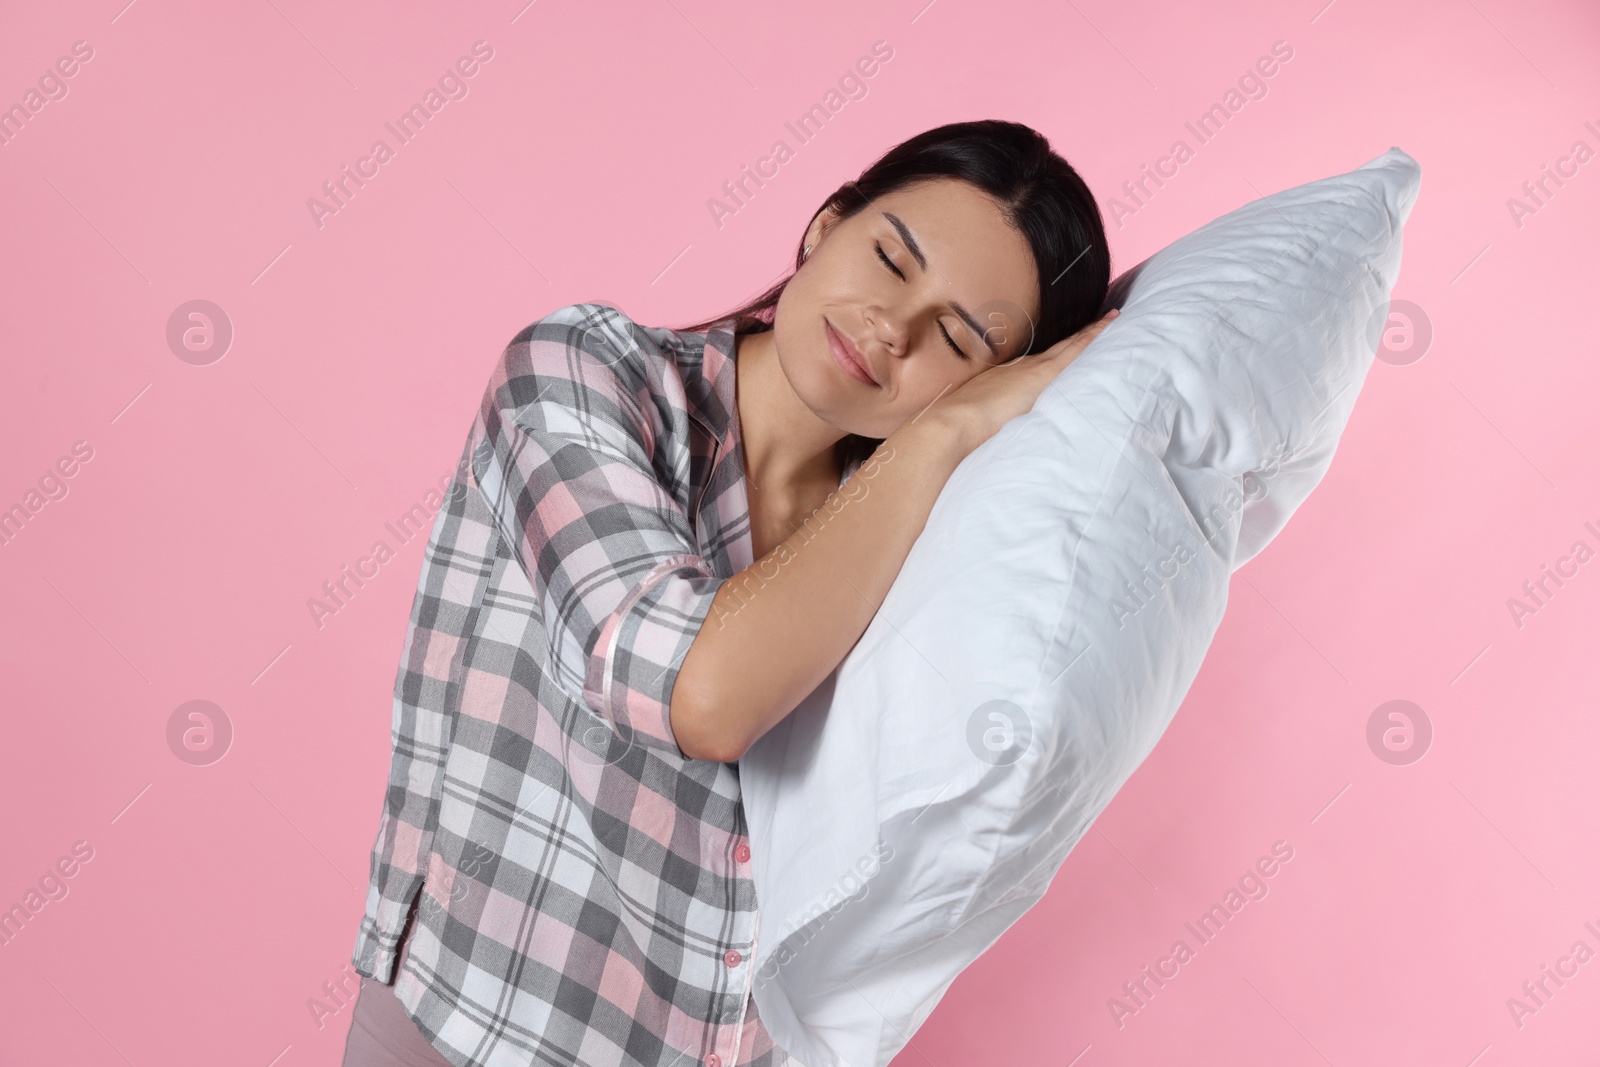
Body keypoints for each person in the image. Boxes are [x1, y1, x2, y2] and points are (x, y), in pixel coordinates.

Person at [342, 118, 1115, 1067]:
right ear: (823, 226)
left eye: (955, 339)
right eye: (887, 258)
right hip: (479, 1028)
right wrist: (938, 436)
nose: (891, 328)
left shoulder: (927, 552)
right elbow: (702, 695)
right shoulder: (580, 375)